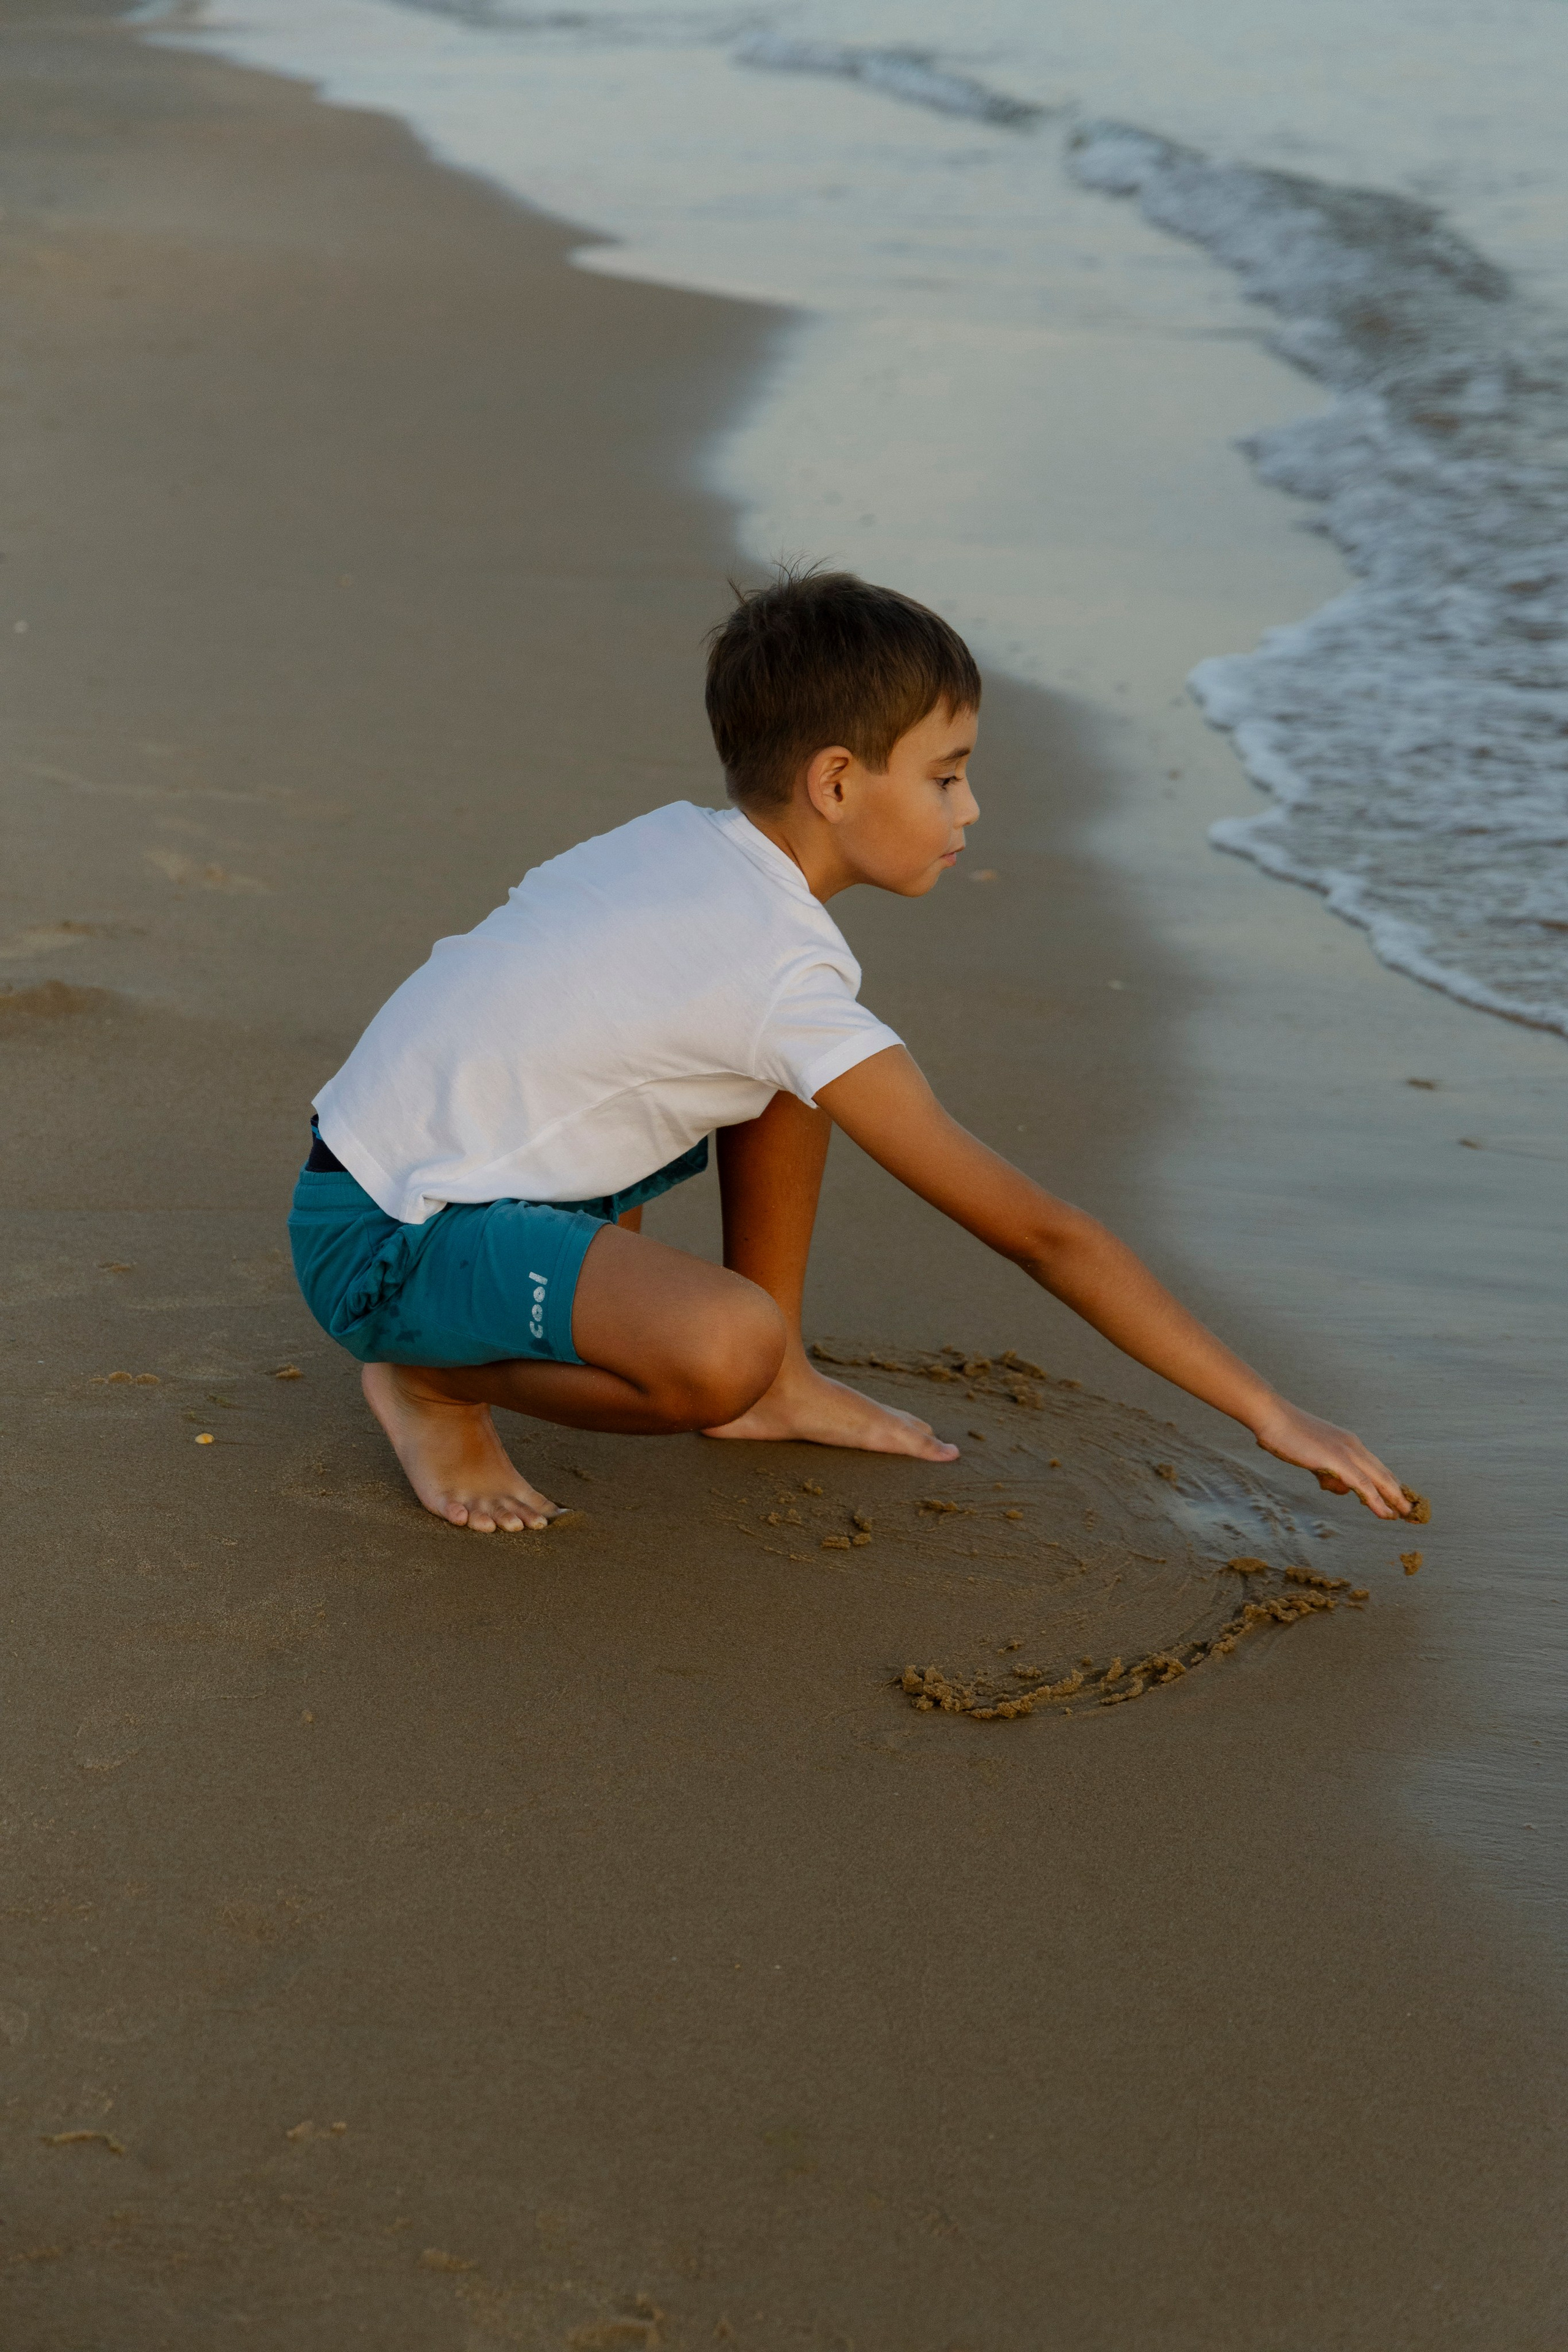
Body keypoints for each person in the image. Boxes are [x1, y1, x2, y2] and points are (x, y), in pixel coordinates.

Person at [288, 569, 1411, 1535]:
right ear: (834, 783)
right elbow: (1041, 1235)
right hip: (391, 1241)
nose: (970, 808)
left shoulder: (691, 851)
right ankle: (429, 1386)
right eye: (945, 775)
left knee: (806, 1069)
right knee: (720, 1343)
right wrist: (1271, 1410)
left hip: (407, 1169)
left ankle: (779, 1385)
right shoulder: (772, 973)